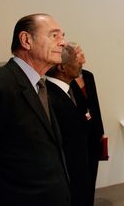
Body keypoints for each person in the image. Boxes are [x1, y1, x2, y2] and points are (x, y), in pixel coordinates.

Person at [0, 13, 70, 205]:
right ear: (26, 40)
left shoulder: (38, 85)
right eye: (54, 35)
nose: (63, 42)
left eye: (63, 36)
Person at [46, 43, 92, 206]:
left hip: (79, 171)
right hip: (68, 177)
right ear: (63, 68)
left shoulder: (69, 89)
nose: (81, 62)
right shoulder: (49, 97)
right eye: (76, 58)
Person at [70, 43, 105, 205]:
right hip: (76, 138)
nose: (82, 55)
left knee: (92, 173)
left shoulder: (88, 76)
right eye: (78, 53)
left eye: (81, 50)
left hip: (93, 134)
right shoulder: (64, 79)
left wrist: (101, 132)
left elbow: (95, 106)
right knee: (78, 179)